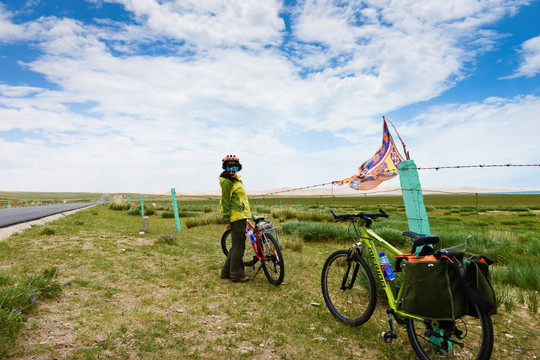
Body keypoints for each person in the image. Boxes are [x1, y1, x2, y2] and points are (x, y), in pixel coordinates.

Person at [219, 155, 252, 283]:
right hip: (237, 217)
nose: (232, 169)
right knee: (239, 247)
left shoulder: (234, 180)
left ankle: (226, 272)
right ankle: (237, 274)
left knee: (235, 246)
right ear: (225, 167)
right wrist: (227, 219)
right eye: (229, 167)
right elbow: (225, 202)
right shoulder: (227, 182)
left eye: (235, 167)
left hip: (240, 215)